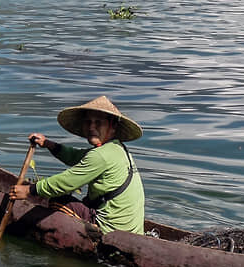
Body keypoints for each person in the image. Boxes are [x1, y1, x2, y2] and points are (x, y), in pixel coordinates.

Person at [9, 95, 144, 234]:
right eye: (88, 122)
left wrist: (29, 190)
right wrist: (48, 144)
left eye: (98, 122)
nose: (91, 127)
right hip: (132, 230)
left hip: (110, 229)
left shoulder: (101, 155)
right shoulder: (116, 148)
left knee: (58, 201)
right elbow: (75, 157)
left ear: (113, 126)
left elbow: (66, 182)